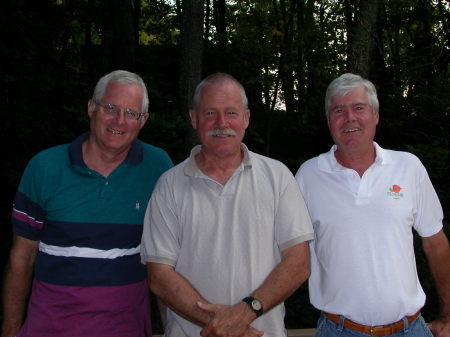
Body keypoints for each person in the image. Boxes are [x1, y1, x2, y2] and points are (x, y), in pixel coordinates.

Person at [140, 73, 314, 337]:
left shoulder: (278, 177)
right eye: (210, 113)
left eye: (231, 112)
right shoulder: (168, 186)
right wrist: (223, 324)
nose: (222, 123)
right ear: (194, 118)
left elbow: (298, 262)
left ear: (246, 118)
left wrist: (244, 313)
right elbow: (160, 275)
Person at [2, 70, 173, 337]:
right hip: (48, 329)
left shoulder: (158, 168)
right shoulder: (44, 167)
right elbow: (21, 258)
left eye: (131, 113)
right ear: (91, 108)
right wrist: (10, 330)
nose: (119, 120)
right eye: (110, 107)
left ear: (143, 121)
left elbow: (165, 261)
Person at [295, 73, 450, 337]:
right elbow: (290, 256)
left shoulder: (408, 167)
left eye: (358, 108)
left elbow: (435, 244)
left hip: (410, 330)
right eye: (338, 110)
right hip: (338, 331)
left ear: (375, 115)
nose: (350, 118)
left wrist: (448, 316)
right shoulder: (308, 176)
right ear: (329, 121)